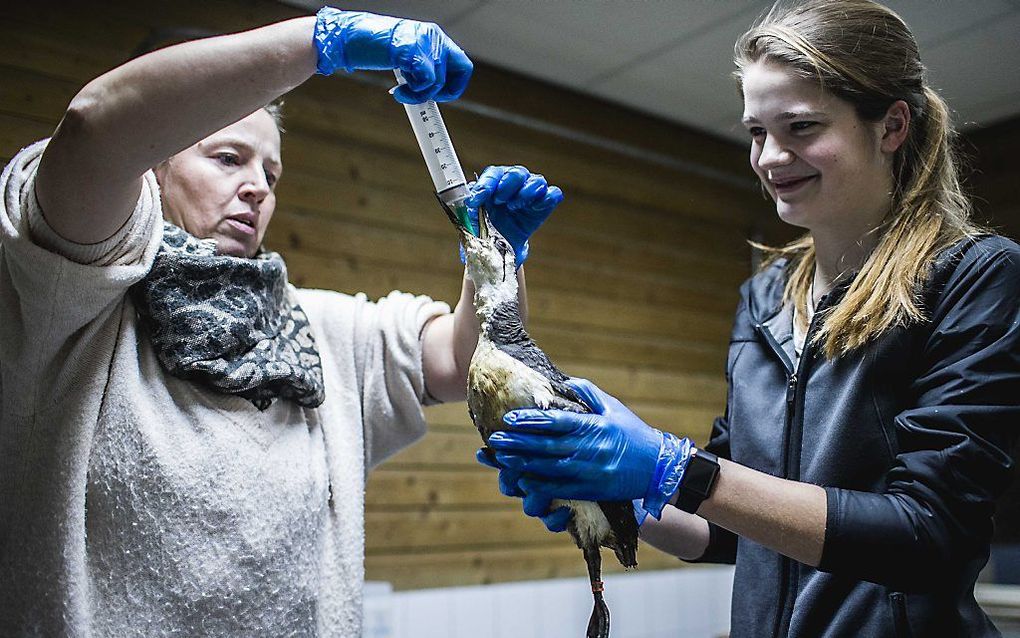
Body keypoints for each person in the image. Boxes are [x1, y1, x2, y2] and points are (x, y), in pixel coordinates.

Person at [0, 7, 563, 636]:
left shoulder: (318, 331)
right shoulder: (72, 296)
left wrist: (496, 263)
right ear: (154, 165)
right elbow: (94, 128)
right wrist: (323, 41)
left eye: (269, 172)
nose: (258, 188)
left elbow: (462, 362)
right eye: (228, 158)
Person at [480, 1, 1020, 636]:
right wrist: (614, 493)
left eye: (800, 127)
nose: (769, 158)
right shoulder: (765, 298)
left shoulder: (975, 276)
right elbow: (726, 529)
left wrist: (673, 466)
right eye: (757, 133)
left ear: (892, 126)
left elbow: (930, 535)